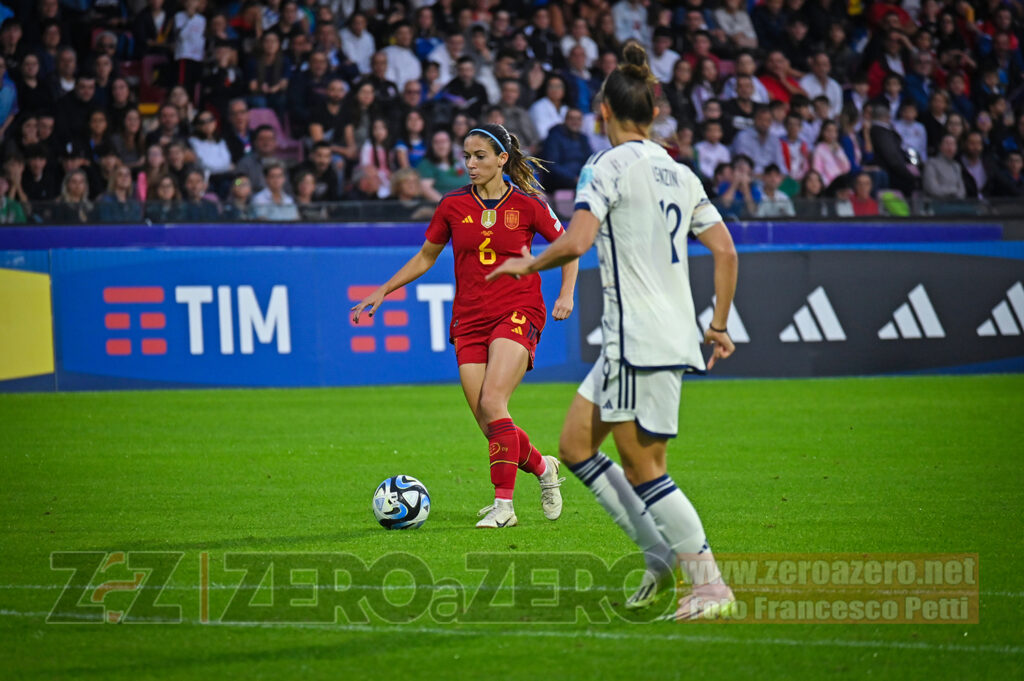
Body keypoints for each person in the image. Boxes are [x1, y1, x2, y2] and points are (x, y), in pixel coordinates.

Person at [488, 43, 738, 620]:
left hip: (638, 339)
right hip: (657, 335)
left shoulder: (605, 166)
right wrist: (717, 324)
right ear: (651, 113)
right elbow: (724, 250)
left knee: (645, 467)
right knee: (576, 447)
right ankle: (658, 554)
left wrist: (526, 264)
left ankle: (709, 584)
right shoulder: (680, 172)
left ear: (604, 111)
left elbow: (576, 241)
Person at [352, 123, 577, 529]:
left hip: (518, 308)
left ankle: (503, 507)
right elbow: (425, 256)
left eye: (479, 157)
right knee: (489, 421)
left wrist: (566, 294)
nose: (470, 165)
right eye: (466, 157)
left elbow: (569, 247)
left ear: (502, 160)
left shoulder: (528, 204)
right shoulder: (452, 205)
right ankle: (544, 468)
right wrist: (383, 289)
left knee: (494, 403)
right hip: (469, 318)